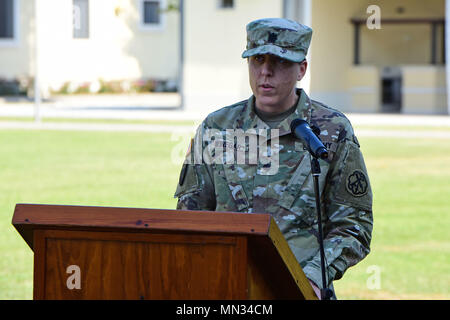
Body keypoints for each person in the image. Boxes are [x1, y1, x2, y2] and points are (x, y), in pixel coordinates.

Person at [174, 18, 373, 299]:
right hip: (225, 289)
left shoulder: (331, 131)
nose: (265, 72)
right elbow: (188, 219)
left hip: (300, 290)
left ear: (301, 69)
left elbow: (353, 225)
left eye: (279, 62)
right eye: (257, 60)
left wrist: (312, 278)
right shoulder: (216, 128)